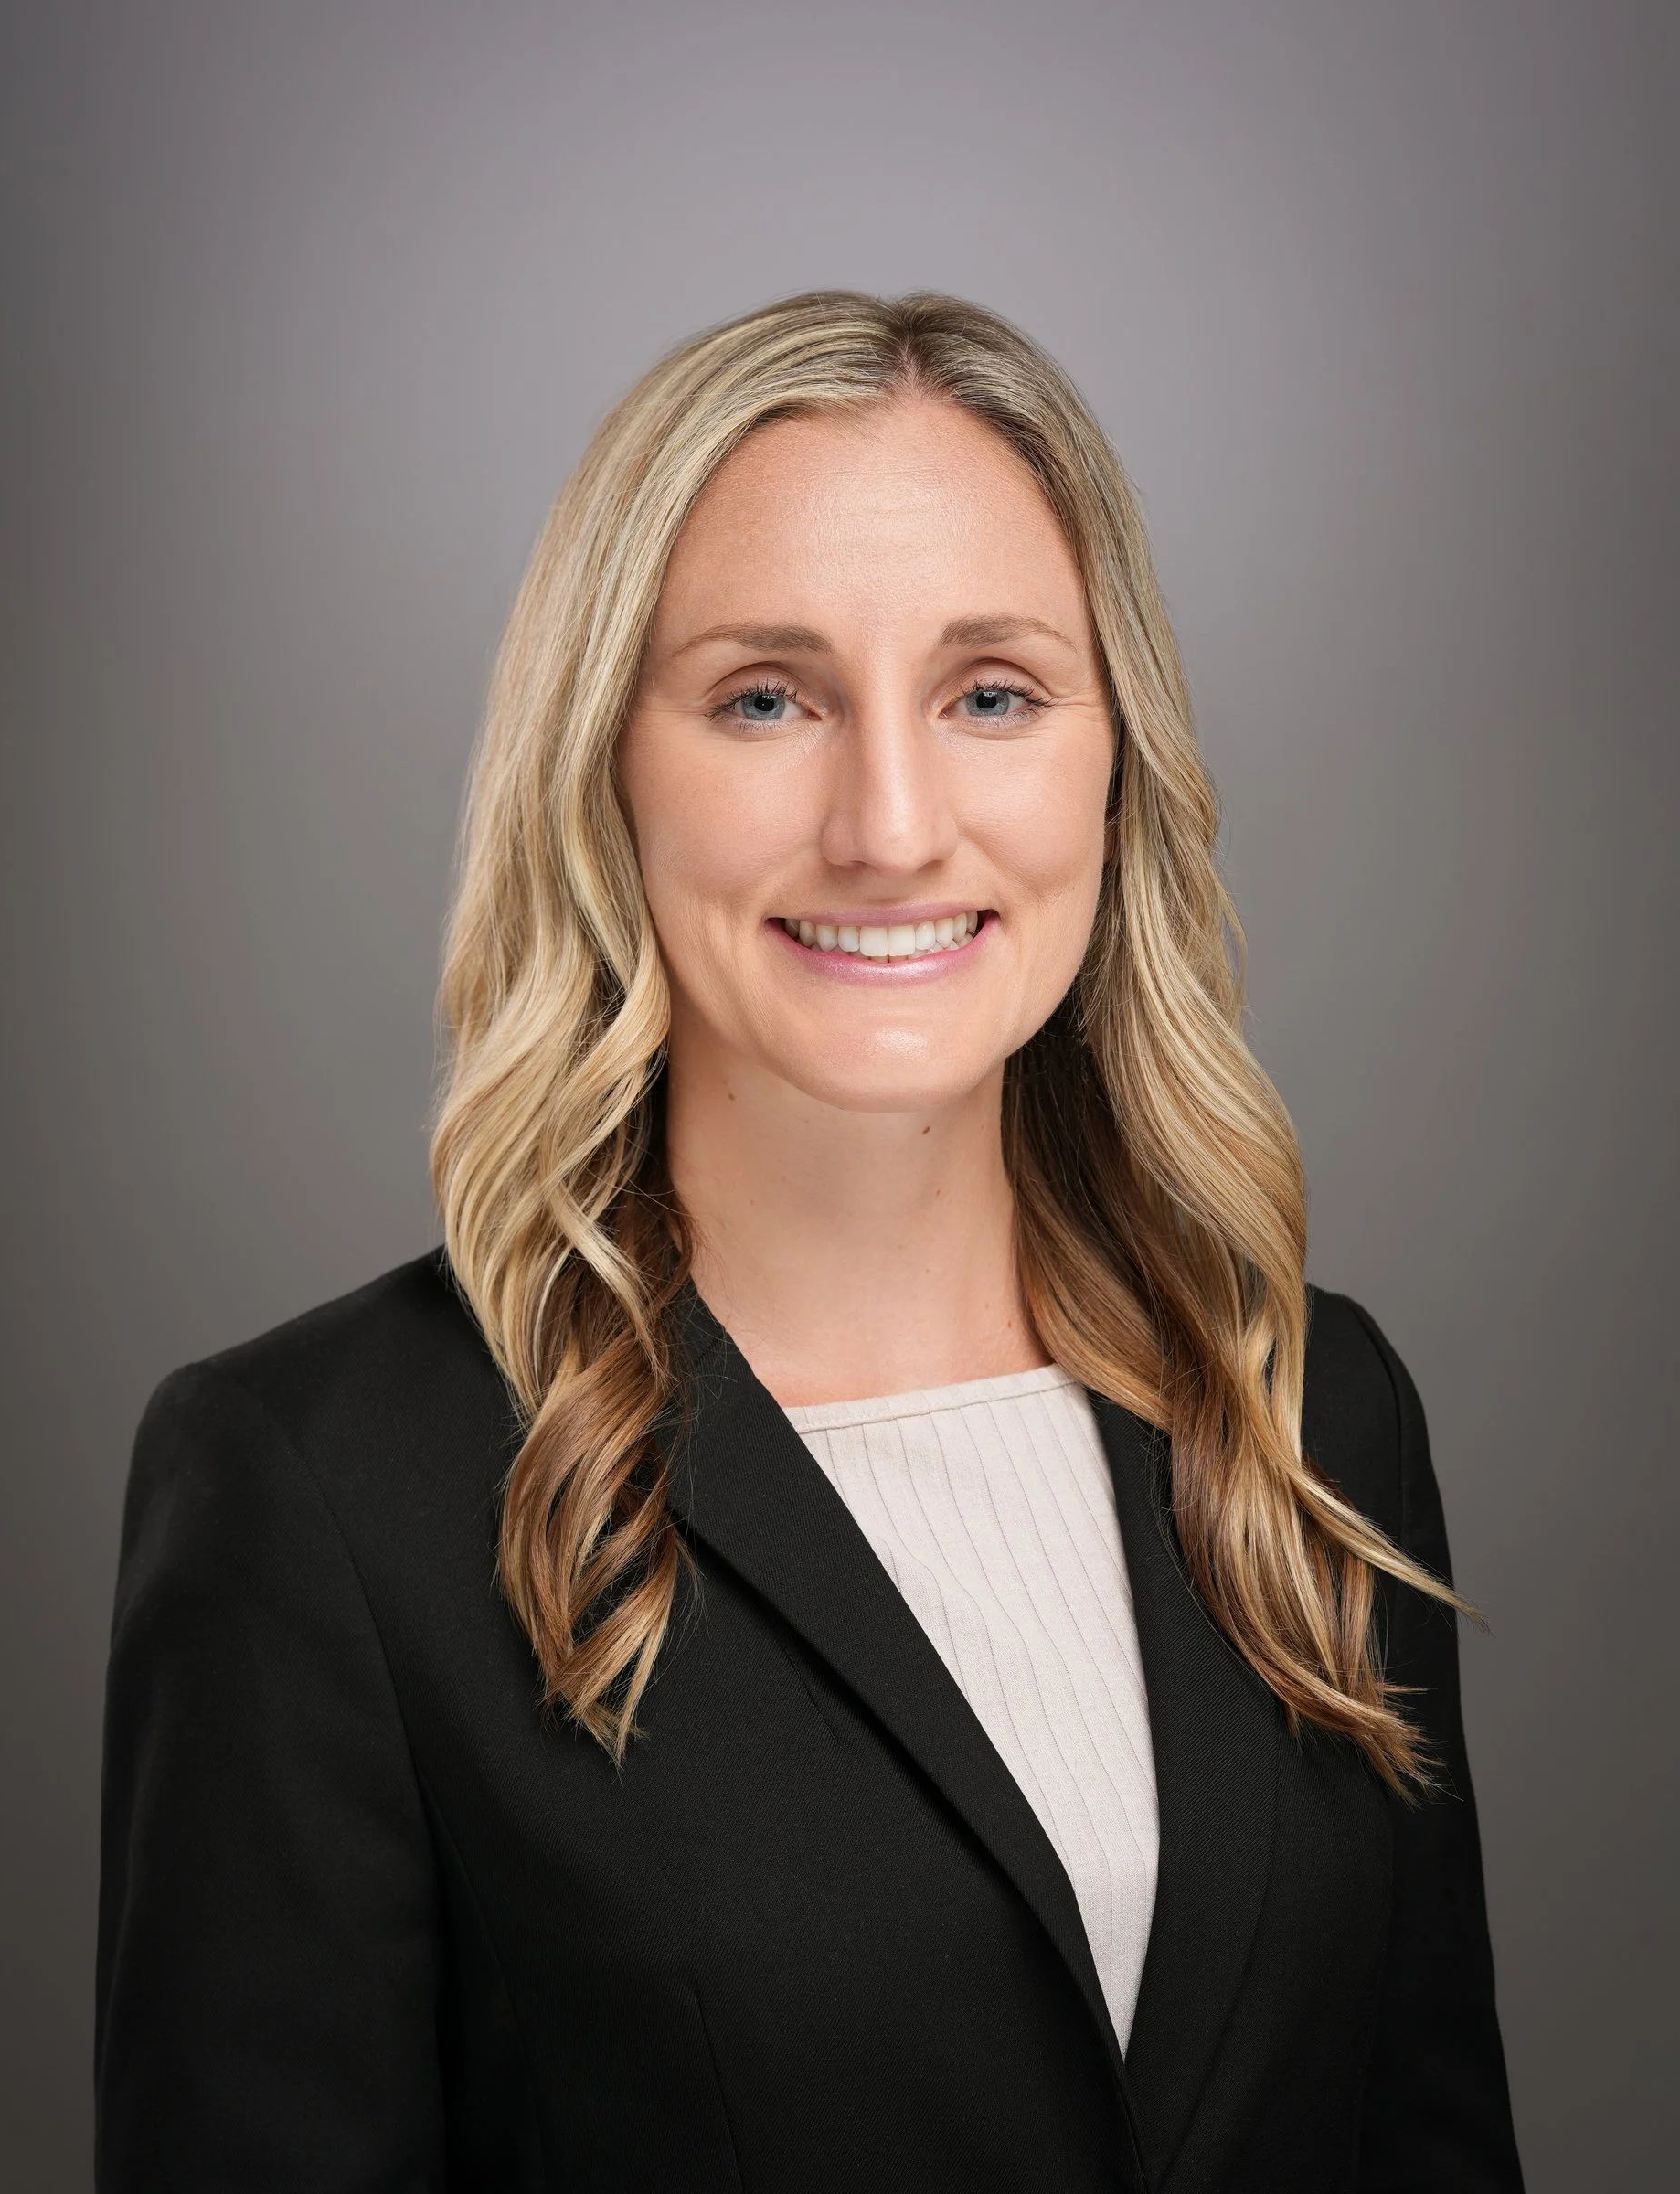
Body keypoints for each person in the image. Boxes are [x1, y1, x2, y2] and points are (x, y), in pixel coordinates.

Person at [94, 289, 1525, 2191]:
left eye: (991, 693)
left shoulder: (1310, 1411)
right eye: (766, 698)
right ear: (603, 766)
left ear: (1116, 760)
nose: (891, 827)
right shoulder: (322, 1493)